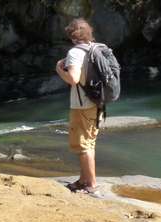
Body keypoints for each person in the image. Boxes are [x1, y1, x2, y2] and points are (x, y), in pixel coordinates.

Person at [55, 18, 99, 194]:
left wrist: (59, 69)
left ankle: (91, 185)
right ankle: (83, 180)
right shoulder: (97, 47)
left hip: (82, 106)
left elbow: (73, 79)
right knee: (89, 143)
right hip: (98, 103)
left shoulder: (75, 52)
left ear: (73, 37)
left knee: (83, 146)